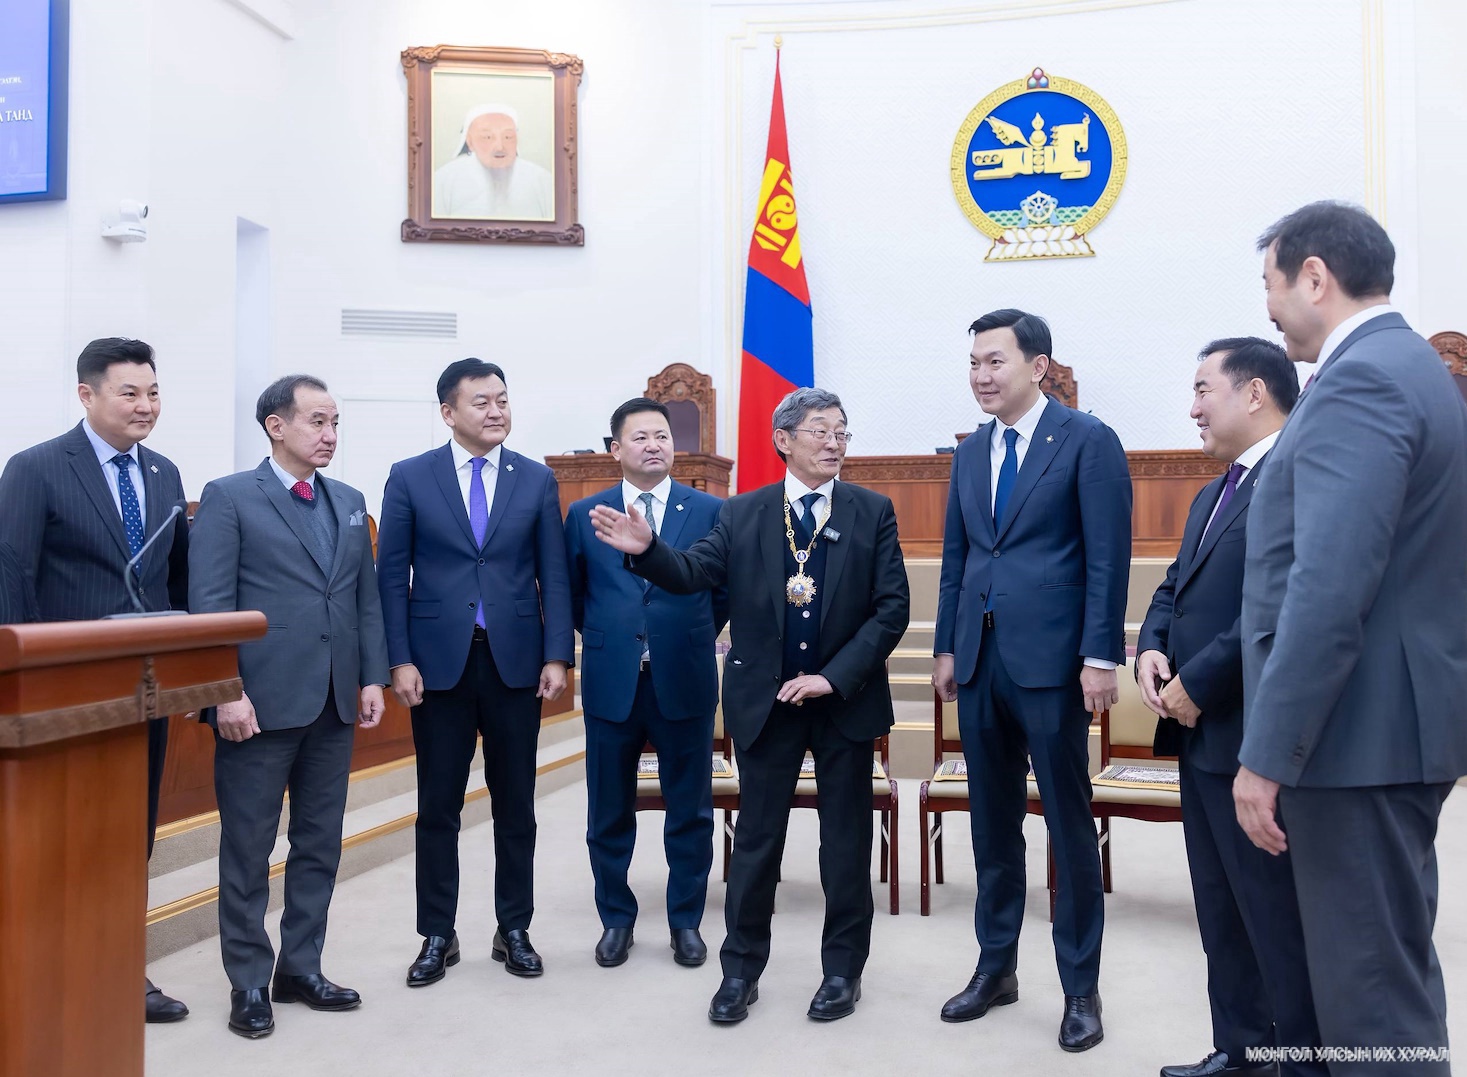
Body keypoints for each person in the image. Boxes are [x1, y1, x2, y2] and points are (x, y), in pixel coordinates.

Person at [590, 386, 909, 1025]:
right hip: (766, 704)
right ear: (783, 440)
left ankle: (842, 971)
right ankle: (739, 971)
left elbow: (891, 608)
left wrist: (833, 678)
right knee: (757, 844)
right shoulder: (743, 513)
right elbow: (692, 573)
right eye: (820, 431)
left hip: (844, 704)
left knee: (845, 847)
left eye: (841, 431)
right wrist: (647, 551)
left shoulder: (872, 510)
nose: (834, 443)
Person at [1236, 201, 1467, 1074]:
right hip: (1383, 728)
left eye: (1268, 283)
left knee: (1369, 998)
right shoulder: (1408, 367)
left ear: (1313, 277)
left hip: (1353, 740)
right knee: (1381, 976)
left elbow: (1328, 586)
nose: (1266, 306)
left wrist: (1267, 754)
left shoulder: (1361, 378)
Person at [932, 309, 1131, 1052]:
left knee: (1068, 825)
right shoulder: (969, 451)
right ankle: (996, 968)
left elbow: (1107, 554)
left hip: (1052, 664)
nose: (981, 376)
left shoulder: (1087, 440)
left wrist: (1100, 654)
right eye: (973, 363)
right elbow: (958, 559)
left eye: (995, 361)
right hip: (979, 661)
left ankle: (1080, 986)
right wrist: (947, 649)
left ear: (1038, 366)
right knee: (991, 824)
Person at [1137, 338, 1319, 1077]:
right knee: (1221, 911)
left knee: (1275, 917)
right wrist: (1151, 647)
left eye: (1202, 390)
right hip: (1197, 737)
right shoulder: (1213, 492)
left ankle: (1300, 1061)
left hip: (1255, 738)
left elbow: (1280, 608)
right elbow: (1173, 587)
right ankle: (1242, 1049)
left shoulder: (1297, 476)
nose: (1192, 408)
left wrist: (1200, 681)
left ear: (1253, 393)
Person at [189, 375, 389, 1039]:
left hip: (333, 700)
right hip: (257, 702)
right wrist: (225, 690)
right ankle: (248, 979)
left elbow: (362, 598)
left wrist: (370, 677)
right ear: (276, 426)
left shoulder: (349, 500)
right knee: (248, 848)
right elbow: (210, 605)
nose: (329, 435)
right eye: (316, 421)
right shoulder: (229, 497)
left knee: (319, 843)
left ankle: (301, 966)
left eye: (335, 423)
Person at [0, 336, 191, 1023]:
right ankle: (42, 973)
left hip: (146, 690)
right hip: (64, 696)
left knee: (131, 835)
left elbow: (175, 583)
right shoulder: (36, 468)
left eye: (153, 392)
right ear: (87, 395)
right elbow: (12, 580)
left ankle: (119, 968)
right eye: (129, 392)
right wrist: (25, 693)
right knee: (60, 839)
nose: (146, 406)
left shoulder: (164, 473)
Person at [376, 358, 573, 987]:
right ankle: (437, 932)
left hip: (516, 661)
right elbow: (391, 576)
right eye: (482, 401)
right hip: (437, 665)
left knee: (516, 804)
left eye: (503, 400)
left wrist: (557, 654)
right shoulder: (410, 476)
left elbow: (554, 573)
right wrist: (398, 658)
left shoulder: (535, 479)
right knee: (438, 805)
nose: (496, 411)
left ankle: (513, 927)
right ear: (448, 412)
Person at [564, 397, 728, 969]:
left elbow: (721, 591)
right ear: (616, 449)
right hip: (613, 679)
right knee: (608, 809)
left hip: (683, 674)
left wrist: (684, 634)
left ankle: (686, 921)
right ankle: (616, 918)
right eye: (640, 437)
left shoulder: (709, 510)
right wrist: (615, 638)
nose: (654, 445)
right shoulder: (586, 514)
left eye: (663, 435)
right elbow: (574, 594)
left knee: (691, 809)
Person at [432, 103, 554, 220]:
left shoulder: (542, 180)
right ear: (470, 141)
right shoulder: (443, 180)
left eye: (508, 137)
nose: (500, 147)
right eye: (487, 137)